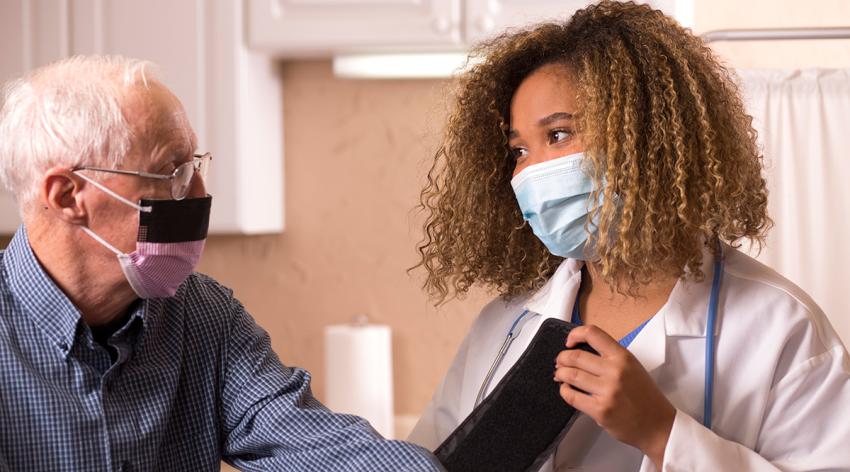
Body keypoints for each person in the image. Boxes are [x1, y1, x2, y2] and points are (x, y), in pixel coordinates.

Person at [408, 1, 850, 470]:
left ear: (644, 134)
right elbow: (425, 461)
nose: (532, 170)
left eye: (559, 134)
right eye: (519, 150)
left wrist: (662, 433)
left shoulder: (781, 327)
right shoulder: (504, 323)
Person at [0, 55, 441, 471]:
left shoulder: (205, 316)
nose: (198, 196)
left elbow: (320, 447)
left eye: (193, 168)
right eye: (171, 174)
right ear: (66, 196)